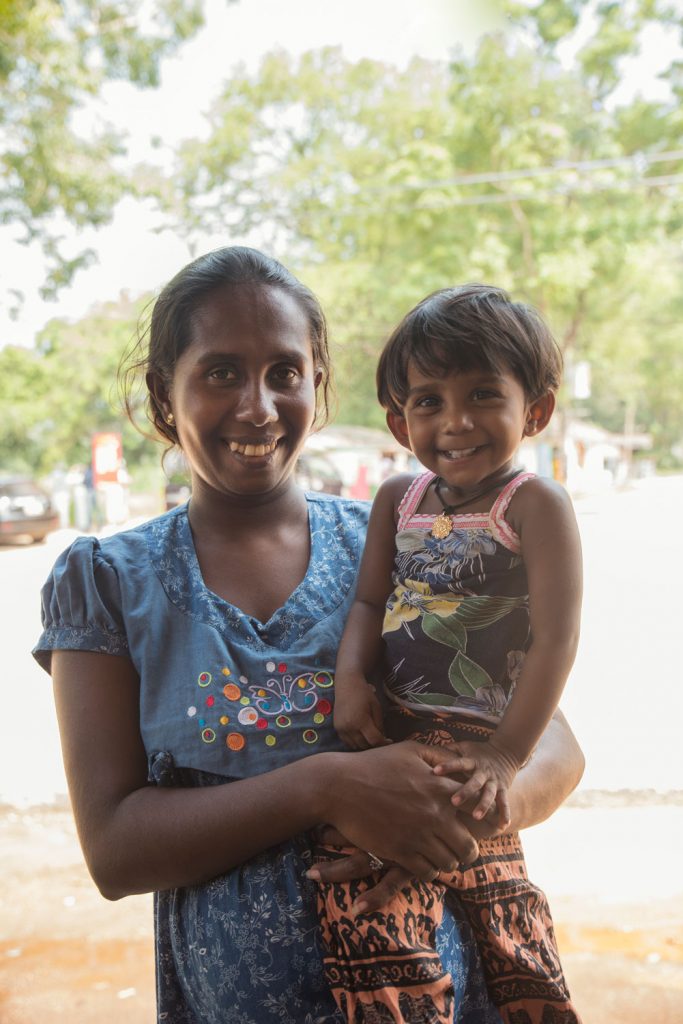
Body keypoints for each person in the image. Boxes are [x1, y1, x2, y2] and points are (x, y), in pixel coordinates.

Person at [32, 249, 584, 1024]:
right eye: (220, 373)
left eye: (284, 373)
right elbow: (116, 850)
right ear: (164, 395)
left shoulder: (410, 540)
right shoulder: (110, 582)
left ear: (317, 386)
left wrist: (449, 816)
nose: (258, 407)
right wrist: (325, 786)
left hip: (444, 995)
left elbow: (557, 752)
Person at [322, 284, 583, 1023]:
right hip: (397, 747)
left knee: (505, 926)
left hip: (475, 753)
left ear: (534, 411)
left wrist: (504, 757)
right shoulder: (396, 499)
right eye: (428, 401)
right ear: (398, 420)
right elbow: (369, 603)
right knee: (372, 904)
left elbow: (556, 638)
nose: (455, 421)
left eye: (481, 395)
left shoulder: (535, 506)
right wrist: (350, 678)